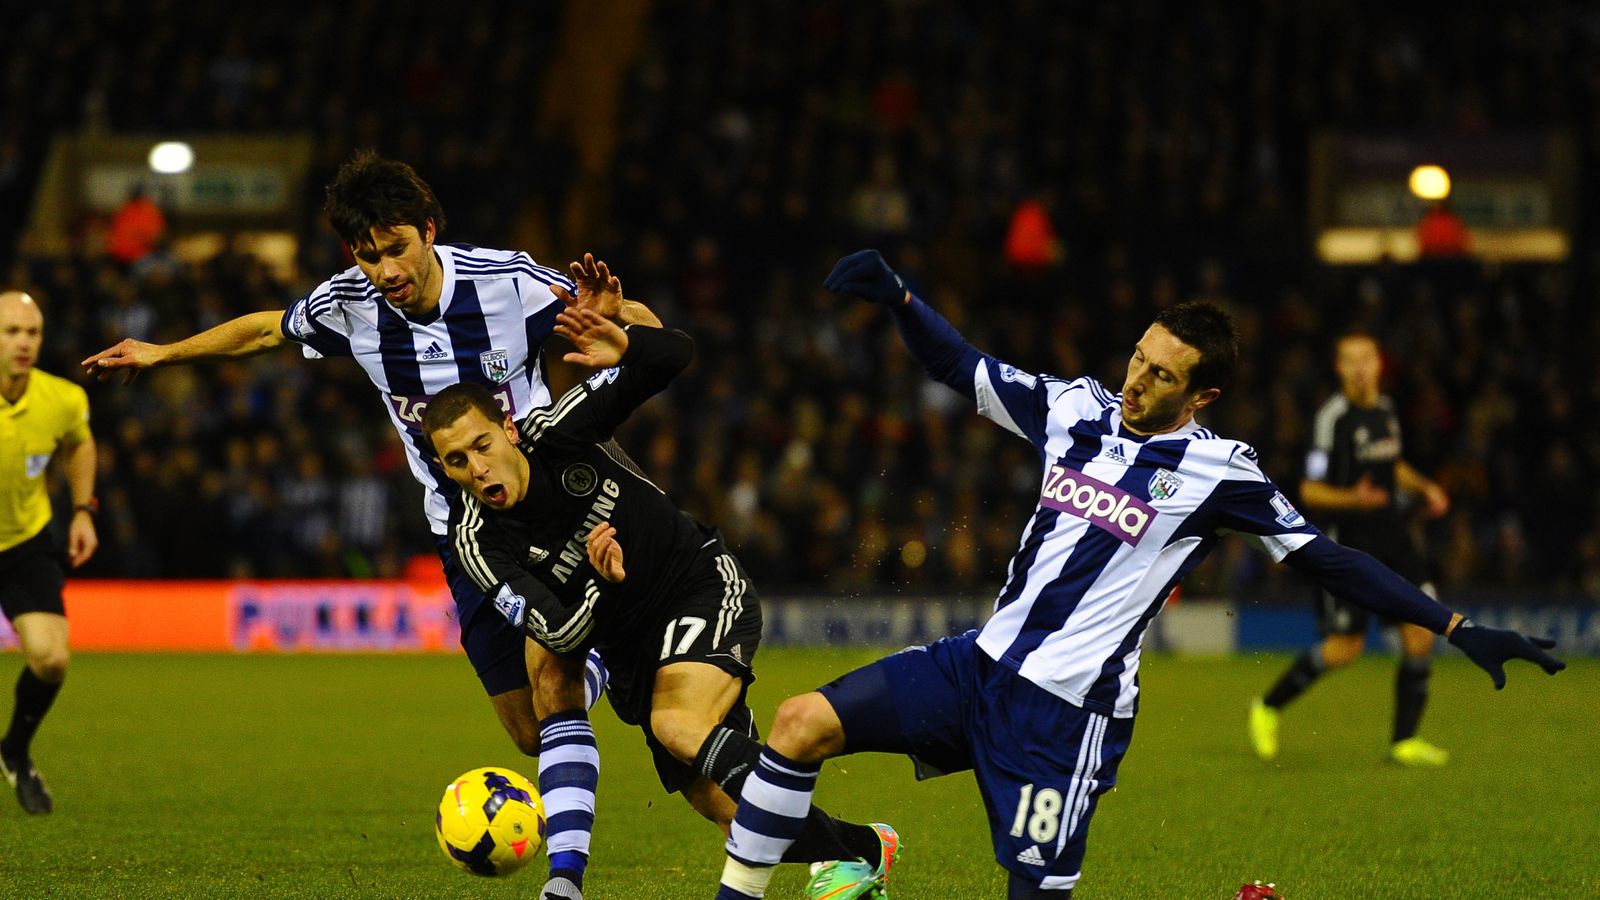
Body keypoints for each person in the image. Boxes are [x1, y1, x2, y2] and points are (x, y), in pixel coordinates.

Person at [712, 250, 1566, 900]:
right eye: (1138, 357)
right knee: (796, 724)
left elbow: (1328, 560)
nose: (1136, 379)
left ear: (1203, 396)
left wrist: (1454, 625)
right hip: (976, 666)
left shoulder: (1220, 473)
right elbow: (963, 367)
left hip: (1064, 718)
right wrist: (900, 298)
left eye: (1162, 374)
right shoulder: (1076, 407)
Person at [81, 152, 649, 899]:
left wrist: (621, 316)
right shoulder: (348, 302)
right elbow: (264, 331)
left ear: (429, 231)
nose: (384, 269)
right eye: (366, 254)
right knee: (526, 728)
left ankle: (564, 883)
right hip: (463, 536)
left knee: (554, 684)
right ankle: (595, 666)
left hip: (546, 508)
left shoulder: (505, 281)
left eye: (395, 248)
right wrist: (163, 354)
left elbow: (632, 326)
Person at [421, 308, 898, 895]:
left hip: (695, 582)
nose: (477, 468)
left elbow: (674, 355)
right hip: (628, 650)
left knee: (675, 724)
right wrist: (600, 581)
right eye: (457, 461)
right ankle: (866, 847)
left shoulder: (559, 431)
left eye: (481, 445)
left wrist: (626, 345)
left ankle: (842, 836)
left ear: (509, 430)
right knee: (726, 810)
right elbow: (564, 637)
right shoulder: (478, 543)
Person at [1250, 332, 1454, 766]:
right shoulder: (1332, 419)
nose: (1360, 367)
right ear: (1339, 369)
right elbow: (1310, 490)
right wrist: (1353, 500)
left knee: (1420, 635)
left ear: (1380, 364)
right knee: (1346, 648)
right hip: (1349, 545)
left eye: (1367, 359)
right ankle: (1267, 707)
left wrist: (1426, 487)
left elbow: (1392, 464)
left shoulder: (1385, 409)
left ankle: (1404, 742)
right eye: (1350, 360)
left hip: (1394, 539)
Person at [0, 290, 99, 815]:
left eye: (32, 332)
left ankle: (15, 750)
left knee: (52, 659)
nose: (23, 343)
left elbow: (79, 443)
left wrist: (83, 509)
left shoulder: (61, 398)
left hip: (22, 542)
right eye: (11, 331)